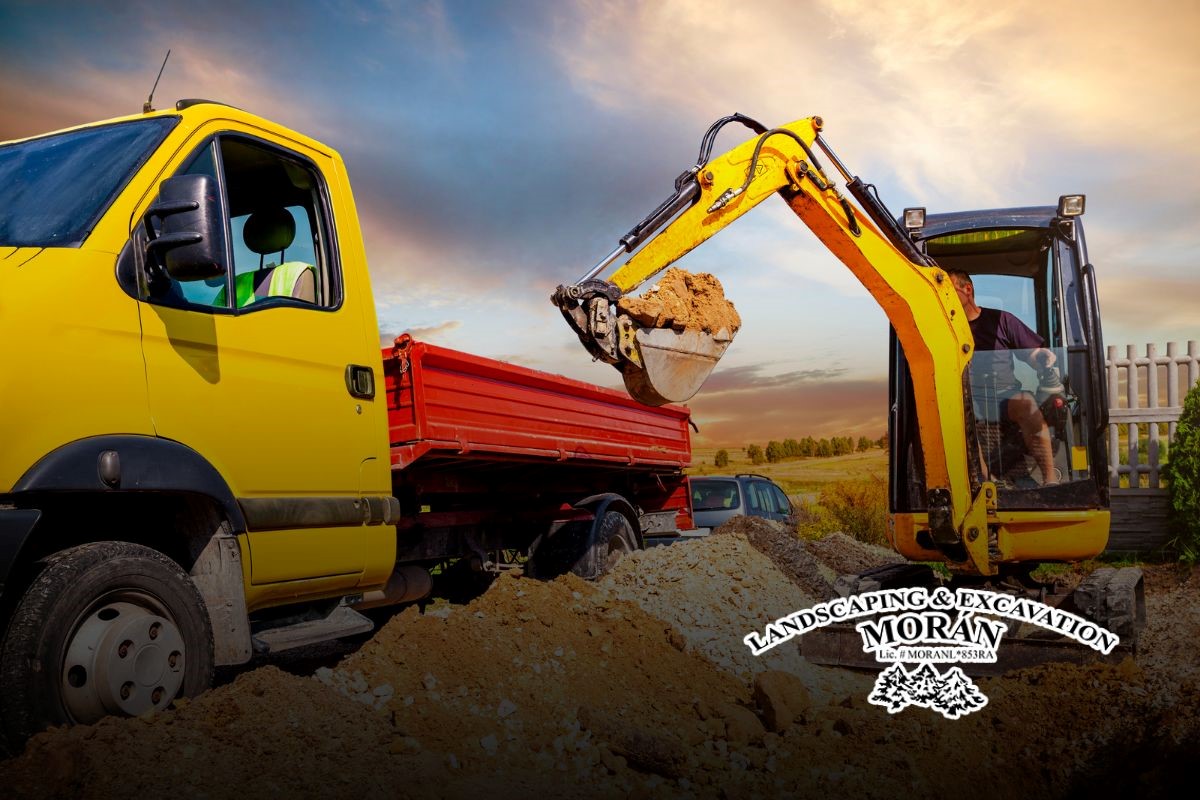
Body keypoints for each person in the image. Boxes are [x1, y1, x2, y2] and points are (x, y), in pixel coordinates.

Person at [947, 270, 1059, 486]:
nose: (944, 298)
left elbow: (1033, 354)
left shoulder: (1002, 321)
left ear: (967, 290)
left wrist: (1042, 357)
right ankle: (986, 482)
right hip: (967, 399)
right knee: (958, 415)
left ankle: (1050, 481)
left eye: (949, 291)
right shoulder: (946, 330)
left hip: (1003, 397)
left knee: (1026, 404)